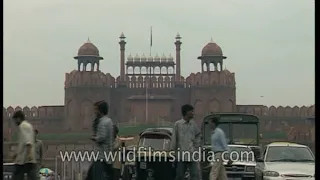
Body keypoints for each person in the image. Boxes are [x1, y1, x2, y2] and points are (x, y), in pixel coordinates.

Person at [170, 104, 201, 180]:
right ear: (187, 112)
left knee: (195, 175)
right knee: (180, 175)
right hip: (181, 155)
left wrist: (196, 146)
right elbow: (174, 138)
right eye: (192, 111)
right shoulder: (178, 124)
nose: (193, 113)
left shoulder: (193, 124)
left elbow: (198, 135)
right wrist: (172, 152)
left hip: (192, 154)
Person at [85, 101, 114, 180]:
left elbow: (102, 137)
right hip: (107, 155)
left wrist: (94, 138)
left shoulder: (102, 122)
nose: (95, 112)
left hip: (101, 156)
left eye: (96, 110)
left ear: (100, 110)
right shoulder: (109, 121)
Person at [11, 110, 37, 180]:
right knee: (32, 176)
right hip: (29, 159)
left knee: (17, 176)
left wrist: (29, 154)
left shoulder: (22, 126)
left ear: (19, 118)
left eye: (15, 120)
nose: (15, 122)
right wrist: (16, 153)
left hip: (23, 159)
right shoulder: (29, 126)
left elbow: (28, 141)